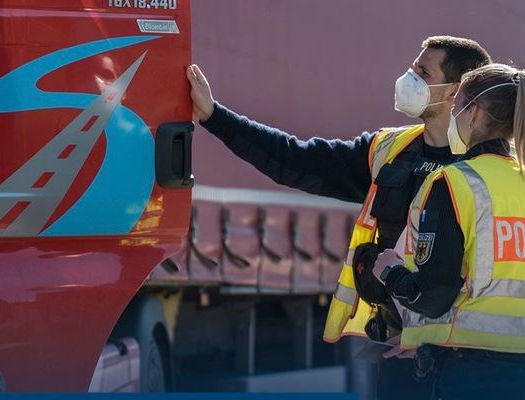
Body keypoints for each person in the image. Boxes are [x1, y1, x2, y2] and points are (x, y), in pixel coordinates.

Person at [186, 36, 491, 400]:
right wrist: (214, 116)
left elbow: (497, 276)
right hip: (397, 356)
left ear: (455, 91)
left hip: (462, 363)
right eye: (412, 68)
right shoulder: (388, 150)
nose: (408, 78)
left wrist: (437, 340)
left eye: (423, 72)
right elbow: (295, 160)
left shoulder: (487, 169)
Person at [372, 63, 525, 400]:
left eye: (457, 108)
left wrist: (389, 272)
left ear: (474, 113)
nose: (452, 117)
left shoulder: (456, 184)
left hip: (476, 379)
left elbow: (433, 294)